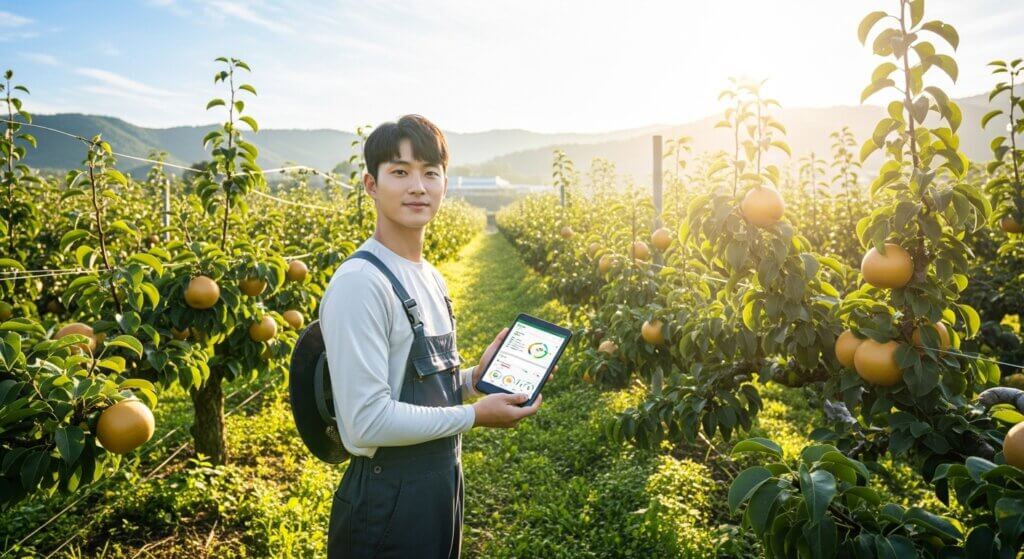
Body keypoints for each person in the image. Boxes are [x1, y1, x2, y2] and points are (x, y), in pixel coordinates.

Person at [319, 114, 549, 558]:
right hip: (385, 504)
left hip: (441, 487)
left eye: (430, 172)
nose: (417, 186)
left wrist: (469, 381)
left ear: (446, 183)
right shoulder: (360, 283)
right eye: (400, 172)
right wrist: (474, 416)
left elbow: (418, 387)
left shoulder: (432, 279)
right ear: (371, 184)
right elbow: (366, 422)